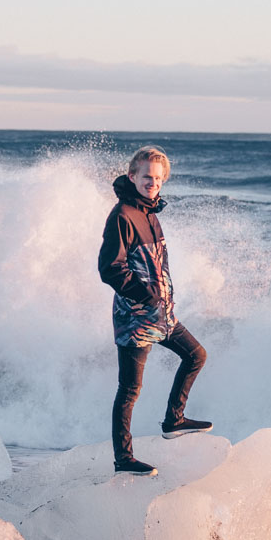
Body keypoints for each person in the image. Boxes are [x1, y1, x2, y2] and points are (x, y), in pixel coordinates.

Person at [98, 145, 211, 476]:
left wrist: (162, 299)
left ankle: (174, 419)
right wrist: (145, 295)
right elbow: (110, 267)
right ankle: (124, 459)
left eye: (159, 179)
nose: (153, 183)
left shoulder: (149, 213)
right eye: (147, 176)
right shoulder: (122, 216)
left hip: (162, 315)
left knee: (196, 355)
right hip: (136, 317)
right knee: (130, 390)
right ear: (132, 176)